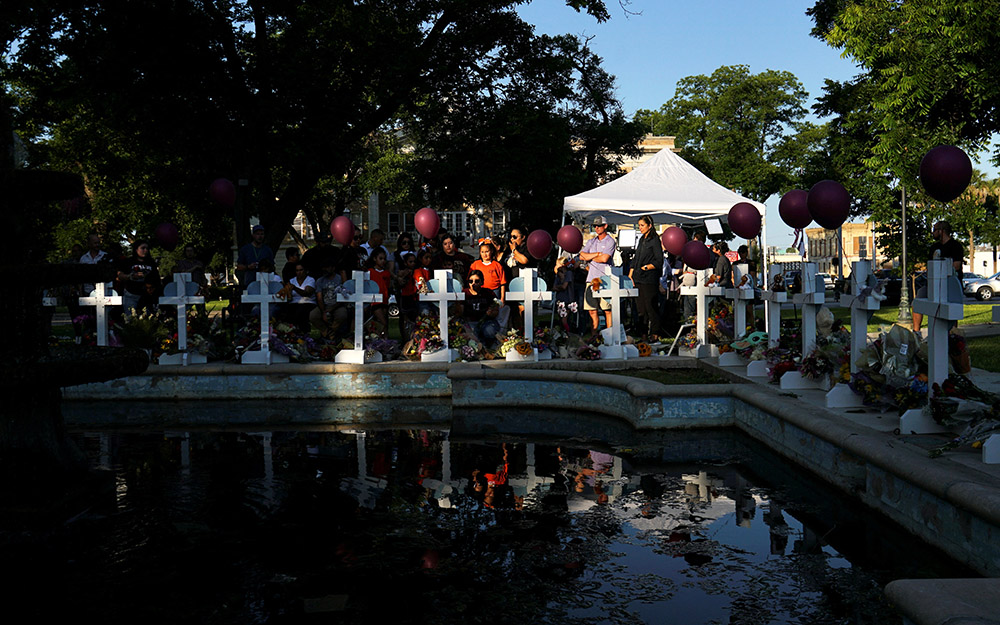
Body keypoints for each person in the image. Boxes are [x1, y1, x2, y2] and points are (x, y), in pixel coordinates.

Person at [913, 220, 964, 332]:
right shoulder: (934, 247)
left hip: (949, 285)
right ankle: (916, 332)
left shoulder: (956, 246)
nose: (933, 233)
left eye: (935, 230)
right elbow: (929, 266)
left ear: (942, 231)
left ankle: (953, 334)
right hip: (933, 284)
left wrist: (941, 266)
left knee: (952, 308)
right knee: (918, 300)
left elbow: (956, 266)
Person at [579, 216, 617, 338]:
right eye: (594, 226)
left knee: (607, 310)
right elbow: (581, 256)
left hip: (605, 279)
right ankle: (594, 335)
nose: (596, 228)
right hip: (591, 279)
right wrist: (597, 254)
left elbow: (605, 258)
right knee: (591, 310)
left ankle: (610, 335)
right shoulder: (591, 241)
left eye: (599, 225)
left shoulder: (610, 241)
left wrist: (590, 256)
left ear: (605, 226)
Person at [629, 215, 664, 341]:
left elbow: (659, 260)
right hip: (638, 278)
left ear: (650, 226)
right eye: (639, 225)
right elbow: (636, 258)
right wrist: (631, 274)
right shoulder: (641, 240)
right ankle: (643, 335)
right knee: (640, 309)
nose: (640, 228)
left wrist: (647, 267)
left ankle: (655, 333)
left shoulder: (654, 240)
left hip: (649, 279)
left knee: (651, 307)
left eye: (642, 225)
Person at [116, 240, 160, 315]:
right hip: (131, 294)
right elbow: (120, 275)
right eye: (143, 248)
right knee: (130, 319)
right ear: (136, 249)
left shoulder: (151, 262)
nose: (145, 250)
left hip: (147, 296)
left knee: (147, 320)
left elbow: (156, 278)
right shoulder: (128, 261)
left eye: (147, 248)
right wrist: (131, 276)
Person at [310, 258, 350, 340]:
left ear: (333, 268)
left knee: (342, 314)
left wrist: (331, 309)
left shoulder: (339, 279)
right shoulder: (320, 281)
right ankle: (325, 331)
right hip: (324, 305)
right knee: (313, 315)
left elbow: (343, 296)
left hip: (337, 305)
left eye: (327, 267)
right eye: (323, 267)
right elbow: (319, 298)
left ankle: (333, 331)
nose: (325, 269)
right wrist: (324, 311)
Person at [461, 269, 501, 347]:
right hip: (470, 322)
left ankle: (490, 347)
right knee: (472, 334)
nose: (473, 284)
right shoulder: (464, 293)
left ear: (482, 282)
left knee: (489, 330)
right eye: (471, 281)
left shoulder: (488, 293)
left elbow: (496, 311)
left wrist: (490, 314)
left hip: (486, 322)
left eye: (476, 281)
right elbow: (460, 312)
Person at [235, 225, 274, 290]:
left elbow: (272, 266)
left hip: (265, 282)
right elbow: (239, 266)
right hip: (250, 281)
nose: (260, 236)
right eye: (257, 234)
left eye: (262, 234)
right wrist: (248, 267)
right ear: (253, 235)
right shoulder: (245, 249)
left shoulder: (267, 250)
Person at [366, 249, 392, 337]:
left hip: (384, 300)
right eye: (380, 259)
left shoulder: (386, 273)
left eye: (384, 259)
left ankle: (384, 340)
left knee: (383, 322)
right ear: (374, 259)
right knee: (382, 321)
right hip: (374, 301)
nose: (383, 261)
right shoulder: (370, 272)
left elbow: (387, 286)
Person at [283, 262, 316, 332]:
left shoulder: (310, 280)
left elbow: (307, 293)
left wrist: (295, 288)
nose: (299, 272)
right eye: (297, 270)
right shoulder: (292, 280)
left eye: (301, 270)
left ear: (305, 270)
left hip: (308, 302)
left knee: (301, 311)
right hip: (294, 303)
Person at [552, 256, 577, 333]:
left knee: (564, 318)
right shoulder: (558, 276)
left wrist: (560, 283)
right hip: (560, 298)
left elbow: (564, 286)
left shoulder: (568, 274)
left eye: (557, 265)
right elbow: (553, 287)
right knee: (561, 318)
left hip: (567, 299)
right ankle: (562, 332)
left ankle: (567, 332)